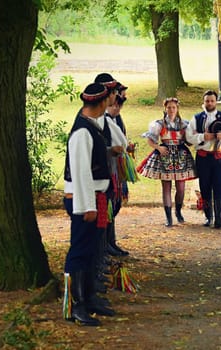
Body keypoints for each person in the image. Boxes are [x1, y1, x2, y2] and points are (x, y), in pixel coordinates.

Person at [63, 83, 123, 326]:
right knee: (79, 251)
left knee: (91, 250)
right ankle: (75, 305)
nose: (112, 100)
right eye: (108, 97)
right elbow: (80, 173)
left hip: (96, 197)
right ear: (99, 103)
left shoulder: (94, 127)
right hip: (83, 201)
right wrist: (87, 206)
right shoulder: (82, 132)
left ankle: (89, 298)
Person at [137, 97, 197, 226]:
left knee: (181, 188)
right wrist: (159, 148)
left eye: (173, 107)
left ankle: (178, 211)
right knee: (166, 187)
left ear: (177, 108)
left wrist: (192, 139)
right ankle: (168, 217)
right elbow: (150, 140)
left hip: (181, 155)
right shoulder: (159, 124)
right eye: (169, 107)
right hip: (165, 156)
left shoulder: (184, 124)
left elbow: (189, 141)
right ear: (165, 108)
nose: (171, 110)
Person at [186, 90, 221, 228]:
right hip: (203, 157)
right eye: (207, 101)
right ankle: (209, 217)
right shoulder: (197, 118)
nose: (209, 103)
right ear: (204, 102)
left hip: (219, 156)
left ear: (216, 102)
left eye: (212, 101)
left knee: (220, 186)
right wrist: (203, 137)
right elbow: (188, 136)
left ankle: (219, 218)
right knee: (205, 186)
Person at [96, 73, 130, 257]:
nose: (118, 97)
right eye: (115, 93)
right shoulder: (101, 118)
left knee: (114, 206)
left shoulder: (114, 116)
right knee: (106, 208)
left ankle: (110, 242)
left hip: (116, 169)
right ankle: (104, 247)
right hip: (105, 173)